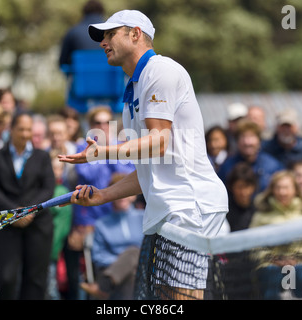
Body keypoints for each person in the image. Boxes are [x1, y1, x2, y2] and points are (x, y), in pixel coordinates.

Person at [59, 9, 229, 300]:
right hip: (164, 210)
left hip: (190, 206)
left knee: (182, 299)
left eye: (111, 34)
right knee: (164, 298)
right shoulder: (131, 88)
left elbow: (159, 141)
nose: (103, 42)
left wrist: (103, 153)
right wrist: (103, 195)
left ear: (135, 34)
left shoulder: (160, 71)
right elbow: (147, 170)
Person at [63, 105, 134, 300]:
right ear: (90, 125)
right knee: (89, 272)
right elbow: (87, 173)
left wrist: (107, 150)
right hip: (89, 220)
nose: (102, 126)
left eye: (106, 122)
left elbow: (129, 174)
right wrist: (106, 152)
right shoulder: (82, 148)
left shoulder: (120, 145)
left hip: (116, 218)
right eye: (97, 123)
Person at [0, 111, 55, 300]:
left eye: (28, 130)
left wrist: (28, 211)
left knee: (35, 278)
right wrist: (14, 213)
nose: (25, 134)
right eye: (21, 129)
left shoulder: (42, 156)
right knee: (6, 277)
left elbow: (48, 188)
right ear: (11, 130)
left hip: (37, 224)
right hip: (8, 224)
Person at [249, 170, 302, 300]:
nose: (282, 192)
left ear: (295, 190)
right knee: (273, 277)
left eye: (286, 188)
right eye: (278, 188)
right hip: (270, 267)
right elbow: (253, 245)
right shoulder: (260, 216)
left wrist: (296, 258)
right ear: (272, 190)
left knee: (299, 274)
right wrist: (273, 259)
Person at [80, 172, 144, 300]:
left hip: (142, 267)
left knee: (133, 253)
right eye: (118, 193)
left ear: (133, 195)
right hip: (111, 269)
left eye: (126, 193)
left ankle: (102, 287)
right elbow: (98, 255)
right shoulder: (102, 224)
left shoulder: (144, 217)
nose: (122, 197)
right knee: (130, 268)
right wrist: (122, 264)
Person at [217, 119, 284, 193]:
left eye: (251, 136)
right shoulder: (227, 167)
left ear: (259, 140)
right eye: (243, 137)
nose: (247, 142)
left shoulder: (272, 166)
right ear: (237, 141)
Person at [46, 150, 73, 300]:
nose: (57, 171)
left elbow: (62, 227)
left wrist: (52, 249)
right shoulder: (46, 190)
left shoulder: (62, 192)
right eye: (54, 167)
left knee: (50, 289)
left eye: (60, 168)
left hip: (50, 250)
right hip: (42, 249)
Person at [46, 114, 78, 190]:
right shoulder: (44, 155)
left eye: (60, 133)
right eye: (52, 133)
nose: (56, 137)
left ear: (67, 134)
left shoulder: (76, 152)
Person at [225, 162, 258, 232]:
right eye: (239, 187)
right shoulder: (225, 211)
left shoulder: (259, 209)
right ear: (231, 187)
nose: (243, 192)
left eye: (247, 186)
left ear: (253, 187)